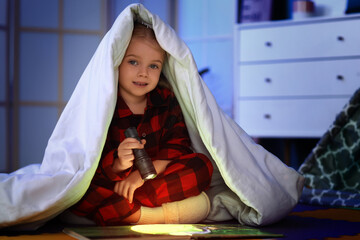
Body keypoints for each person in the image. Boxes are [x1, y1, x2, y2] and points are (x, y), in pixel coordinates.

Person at [68, 21, 214, 226]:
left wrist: (139, 178)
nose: (143, 73)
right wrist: (119, 163)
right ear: (117, 61)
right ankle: (149, 214)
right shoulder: (104, 105)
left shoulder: (165, 99)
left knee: (201, 165)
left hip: (155, 180)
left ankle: (130, 211)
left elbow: (177, 146)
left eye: (153, 65)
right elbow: (90, 161)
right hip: (116, 183)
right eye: (133, 62)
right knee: (78, 188)